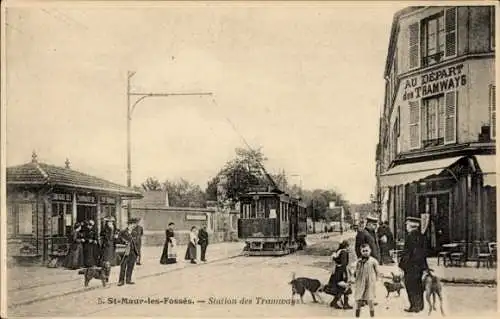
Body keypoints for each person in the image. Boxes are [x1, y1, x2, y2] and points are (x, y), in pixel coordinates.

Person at [399, 216, 428, 313]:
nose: (406, 226)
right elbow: (424, 252)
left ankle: (413, 306)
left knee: (410, 286)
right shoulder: (421, 236)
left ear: (412, 225)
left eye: (407, 224)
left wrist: (402, 266)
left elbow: (407, 253)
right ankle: (420, 306)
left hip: (411, 266)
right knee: (418, 286)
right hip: (419, 266)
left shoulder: (410, 236)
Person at [354, 243, 380, 318]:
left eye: (367, 250)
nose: (365, 252)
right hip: (360, 282)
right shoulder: (358, 261)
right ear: (361, 252)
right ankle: (357, 315)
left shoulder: (373, 261)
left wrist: (376, 280)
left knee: (370, 299)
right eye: (363, 251)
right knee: (359, 299)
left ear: (370, 251)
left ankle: (372, 315)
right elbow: (356, 271)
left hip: (370, 282)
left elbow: (377, 271)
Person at [325, 240, 353, 309]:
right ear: (346, 246)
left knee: (339, 288)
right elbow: (343, 263)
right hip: (342, 272)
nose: (350, 248)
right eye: (349, 246)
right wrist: (345, 274)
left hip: (337, 272)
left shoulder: (339, 251)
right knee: (344, 287)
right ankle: (344, 304)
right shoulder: (344, 252)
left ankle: (334, 302)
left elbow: (337, 260)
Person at [117, 218, 140, 286]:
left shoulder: (135, 233)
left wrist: (137, 253)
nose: (133, 226)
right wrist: (124, 242)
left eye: (134, 225)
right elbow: (118, 240)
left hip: (133, 252)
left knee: (130, 266)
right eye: (132, 225)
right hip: (125, 252)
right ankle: (121, 281)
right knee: (123, 266)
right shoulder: (122, 232)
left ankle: (128, 280)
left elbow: (137, 242)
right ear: (129, 224)